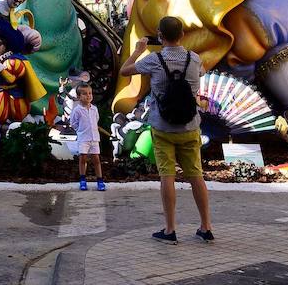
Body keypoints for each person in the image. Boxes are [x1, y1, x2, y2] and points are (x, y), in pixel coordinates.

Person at [119, 15, 212, 243]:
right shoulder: (195, 59)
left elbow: (125, 71)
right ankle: (206, 227)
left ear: (160, 37)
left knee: (167, 176)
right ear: (182, 35)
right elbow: (201, 72)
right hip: (190, 127)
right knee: (196, 176)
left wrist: (139, 49)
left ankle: (170, 230)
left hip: (162, 127)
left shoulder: (153, 60)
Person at [70, 82, 104, 192]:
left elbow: (96, 120)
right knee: (83, 158)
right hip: (83, 138)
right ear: (79, 97)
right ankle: (82, 180)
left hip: (94, 138)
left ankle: (100, 180)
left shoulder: (94, 109)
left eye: (90, 93)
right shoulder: (77, 110)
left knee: (96, 159)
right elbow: (73, 123)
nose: (88, 95)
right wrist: (80, 131)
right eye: (84, 94)